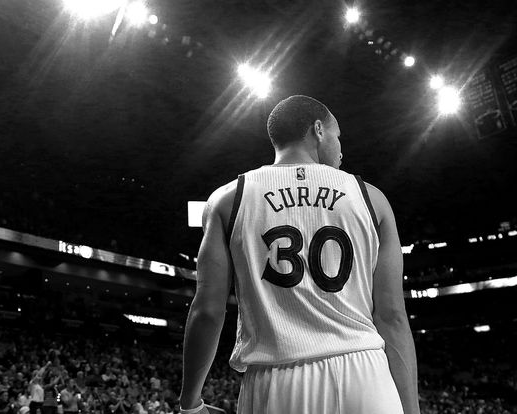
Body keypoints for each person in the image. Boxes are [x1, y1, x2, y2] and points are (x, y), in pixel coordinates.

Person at [179, 95, 419, 414]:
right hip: (367, 375)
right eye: (338, 136)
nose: (341, 149)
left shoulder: (226, 200)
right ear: (318, 130)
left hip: (275, 382)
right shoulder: (371, 198)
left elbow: (207, 311)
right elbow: (392, 317)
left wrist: (191, 403)